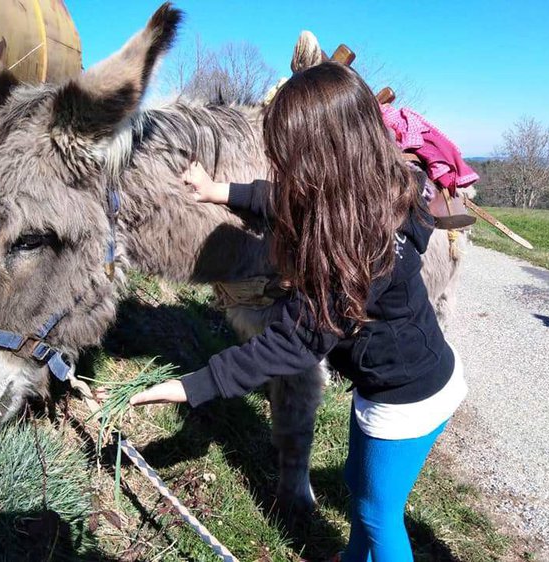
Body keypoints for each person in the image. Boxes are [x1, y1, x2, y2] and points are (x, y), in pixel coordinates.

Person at [97, 61, 467, 562]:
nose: (278, 162)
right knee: (361, 487)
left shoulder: (355, 261)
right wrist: (218, 191)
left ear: (323, 155)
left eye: (286, 152)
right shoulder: (372, 192)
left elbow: (289, 345)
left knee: (379, 516)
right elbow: (283, 199)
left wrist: (190, 387)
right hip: (401, 380)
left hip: (405, 401)